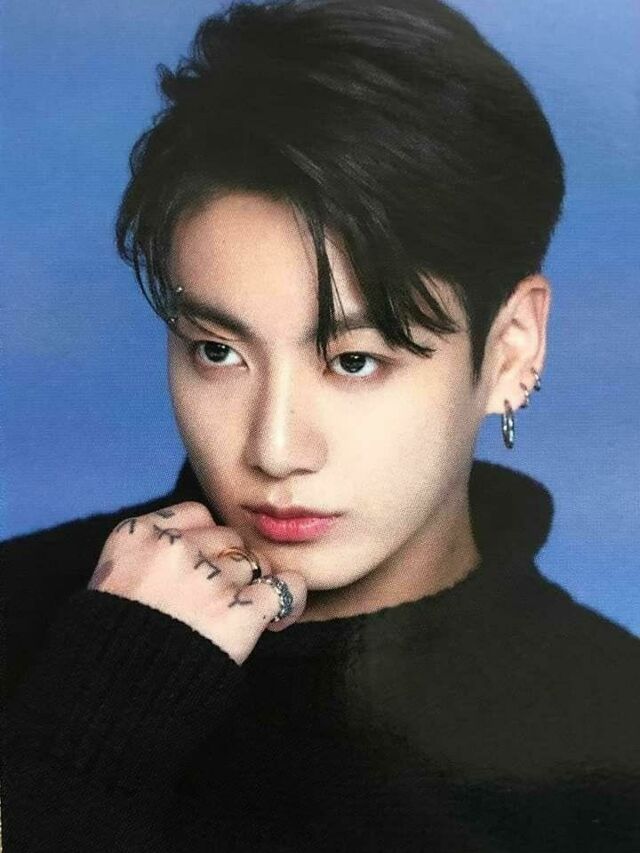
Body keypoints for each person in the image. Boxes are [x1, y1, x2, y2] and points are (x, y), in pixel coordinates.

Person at [3, 0, 639, 850]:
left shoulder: (615, 732)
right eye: (218, 350)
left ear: (511, 349)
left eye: (355, 360)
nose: (274, 448)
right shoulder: (22, 612)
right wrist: (92, 724)